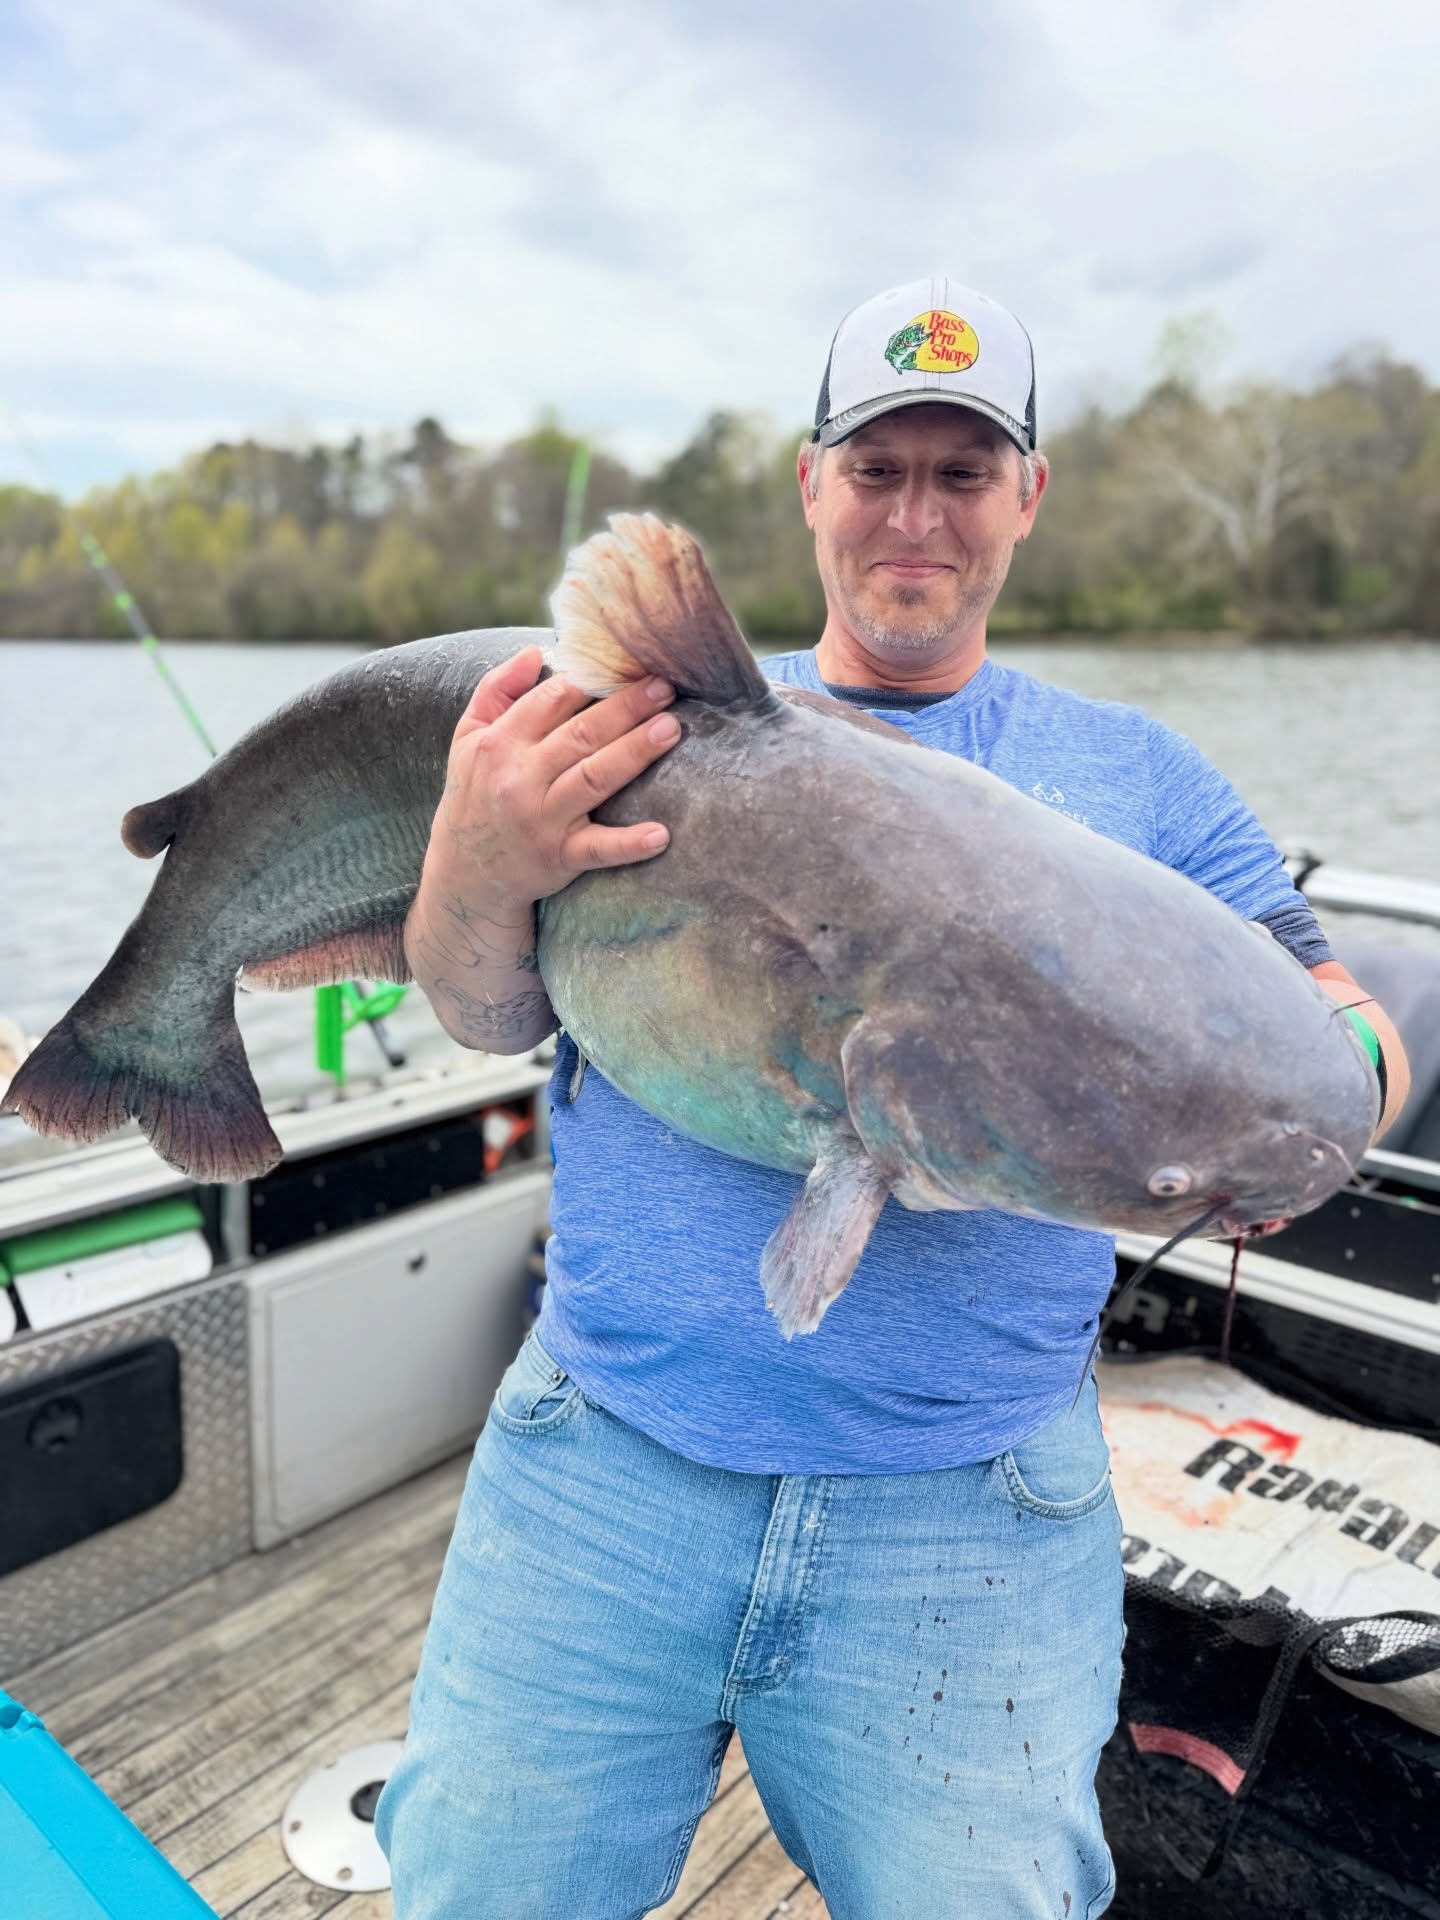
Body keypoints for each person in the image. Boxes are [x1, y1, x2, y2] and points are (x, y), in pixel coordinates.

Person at [376, 278, 1410, 1918]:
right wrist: (472, 866)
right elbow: (484, 1012)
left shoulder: (1140, 778)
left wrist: (1303, 1113)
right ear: (811, 486)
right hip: (604, 1464)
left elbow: (1339, 1019)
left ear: (1027, 497)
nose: (915, 516)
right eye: (877, 470)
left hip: (973, 1516)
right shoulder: (627, 727)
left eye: (962, 472)